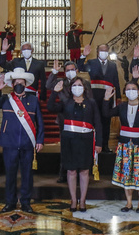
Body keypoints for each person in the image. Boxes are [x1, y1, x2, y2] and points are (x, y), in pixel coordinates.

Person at [0, 68, 44, 213]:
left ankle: (26, 202)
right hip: (9, 143)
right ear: (12, 85)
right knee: (10, 174)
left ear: (25, 84)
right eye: (16, 83)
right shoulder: (6, 99)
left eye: (21, 83)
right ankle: (10, 202)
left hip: (27, 143)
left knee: (27, 174)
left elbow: (40, 121)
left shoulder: (33, 100)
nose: (19, 85)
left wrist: (40, 140)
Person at [47, 77, 102, 212]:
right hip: (69, 140)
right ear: (71, 88)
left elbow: (98, 123)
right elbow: (50, 107)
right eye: (74, 85)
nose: (77, 87)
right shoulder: (66, 102)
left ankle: (82, 200)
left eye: (80, 85)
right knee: (71, 171)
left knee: (84, 171)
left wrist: (99, 143)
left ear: (84, 88)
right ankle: (73, 200)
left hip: (86, 140)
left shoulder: (92, 103)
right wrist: (54, 92)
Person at [103, 81, 139, 213]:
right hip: (125, 145)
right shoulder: (122, 106)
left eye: (133, 89)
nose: (131, 91)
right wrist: (106, 99)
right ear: (125, 92)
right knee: (127, 175)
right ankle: (129, 203)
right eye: (128, 89)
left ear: (138, 92)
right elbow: (106, 114)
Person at [46, 60, 92, 183]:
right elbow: (47, 85)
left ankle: (82, 173)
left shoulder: (84, 83)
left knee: (82, 147)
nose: (70, 72)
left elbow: (90, 100)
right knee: (66, 148)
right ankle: (64, 173)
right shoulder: (61, 82)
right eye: (67, 70)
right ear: (65, 72)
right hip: (64, 119)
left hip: (81, 120)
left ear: (76, 70)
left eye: (72, 69)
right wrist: (54, 71)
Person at [77, 43, 121, 152]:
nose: (104, 52)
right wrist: (83, 56)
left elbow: (116, 81)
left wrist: (119, 96)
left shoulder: (113, 65)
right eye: (101, 50)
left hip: (108, 98)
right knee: (94, 120)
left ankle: (105, 145)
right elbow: (80, 67)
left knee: (106, 122)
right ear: (97, 52)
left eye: (106, 50)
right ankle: (93, 144)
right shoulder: (92, 62)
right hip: (94, 97)